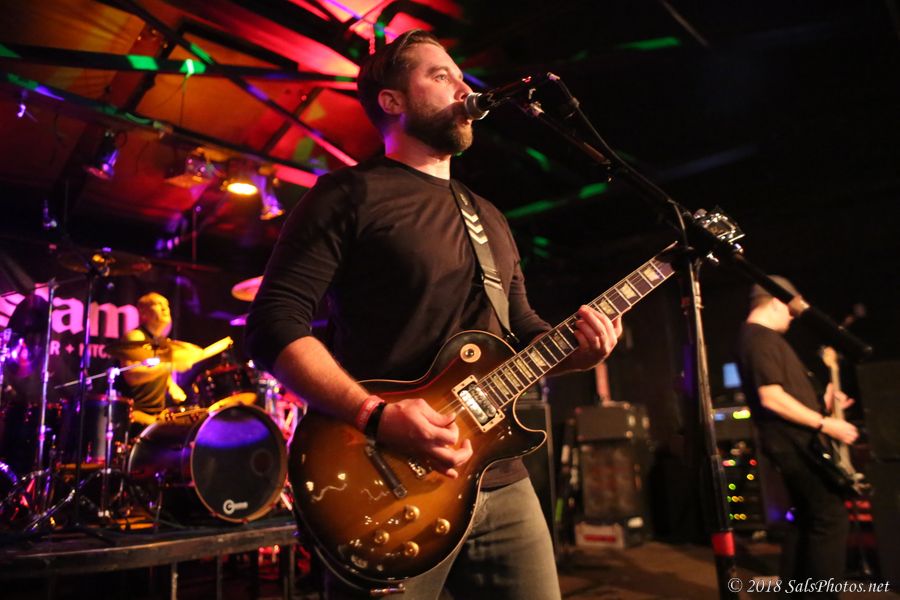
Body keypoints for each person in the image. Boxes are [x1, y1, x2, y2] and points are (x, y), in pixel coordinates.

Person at [246, 29, 622, 599]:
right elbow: (273, 323)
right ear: (392, 100)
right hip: (385, 480)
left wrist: (578, 353)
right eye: (440, 75)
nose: (463, 88)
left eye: (461, 76)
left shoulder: (489, 216)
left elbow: (523, 330)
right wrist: (375, 415)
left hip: (500, 477)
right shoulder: (348, 194)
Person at [737, 276, 858, 599]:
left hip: (793, 443)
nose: (793, 317)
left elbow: (782, 393)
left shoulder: (761, 339)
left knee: (806, 519)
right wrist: (825, 424)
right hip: (795, 444)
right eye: (790, 310)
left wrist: (823, 403)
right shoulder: (758, 338)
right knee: (830, 517)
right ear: (777, 301)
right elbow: (771, 397)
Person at [119, 292, 188, 426]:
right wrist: (169, 365)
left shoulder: (161, 341)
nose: (164, 308)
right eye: (158, 304)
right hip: (134, 415)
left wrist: (171, 385)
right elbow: (132, 377)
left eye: (166, 305)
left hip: (156, 415)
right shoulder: (135, 337)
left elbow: (156, 368)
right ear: (143, 313)